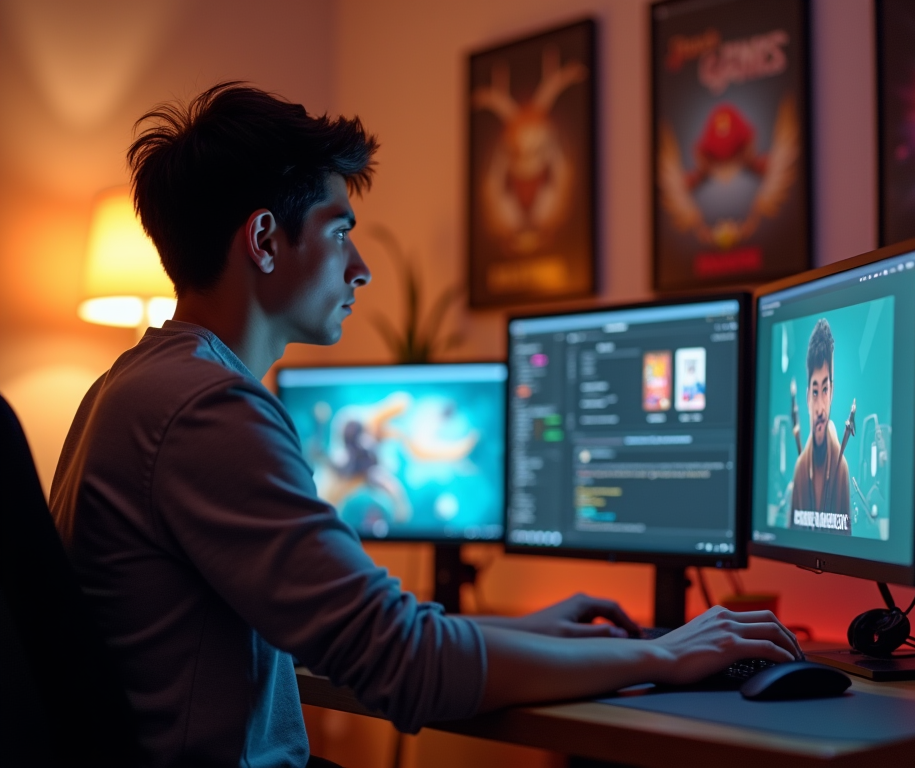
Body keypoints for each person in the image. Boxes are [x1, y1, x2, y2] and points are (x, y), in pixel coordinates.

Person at [50, 83, 802, 768]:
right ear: (266, 239)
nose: (361, 268)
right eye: (340, 231)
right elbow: (404, 664)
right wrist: (661, 659)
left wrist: (539, 633)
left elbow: (366, 628)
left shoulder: (136, 384)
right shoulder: (207, 411)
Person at [789, 318, 852, 531]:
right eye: (815, 392)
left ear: (832, 393)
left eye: (825, 390)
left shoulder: (841, 469)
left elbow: (847, 549)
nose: (820, 408)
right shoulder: (799, 471)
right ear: (807, 398)